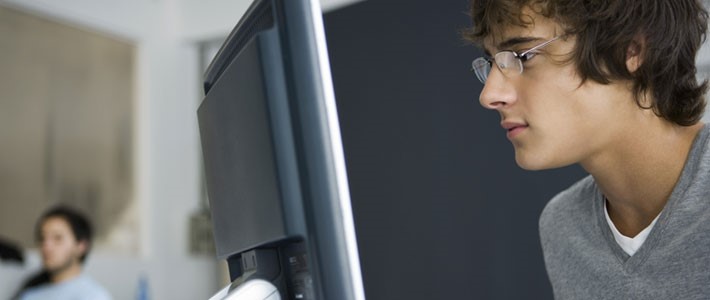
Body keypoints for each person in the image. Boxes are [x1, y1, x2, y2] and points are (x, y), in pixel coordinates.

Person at [464, 0, 709, 299]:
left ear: (631, 50)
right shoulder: (564, 227)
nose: (489, 94)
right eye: (493, 63)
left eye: (523, 56)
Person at [14, 205, 111, 300]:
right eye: (42, 238)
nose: (46, 246)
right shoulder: (30, 294)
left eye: (58, 238)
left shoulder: (93, 296)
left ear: (81, 246)